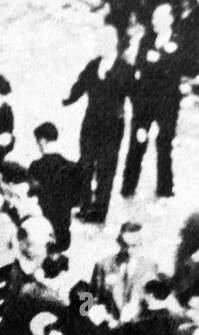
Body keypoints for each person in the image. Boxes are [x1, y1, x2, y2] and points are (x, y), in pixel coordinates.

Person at [64, 25, 134, 224]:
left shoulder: (125, 69)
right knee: (85, 165)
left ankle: (100, 211)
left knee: (106, 169)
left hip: (112, 126)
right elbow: (80, 85)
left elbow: (135, 95)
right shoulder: (93, 65)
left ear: (112, 43)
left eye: (102, 41)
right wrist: (67, 99)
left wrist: (142, 124)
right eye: (98, 41)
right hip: (91, 123)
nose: (98, 45)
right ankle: (85, 206)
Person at [123, 1, 185, 199]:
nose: (154, 21)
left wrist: (156, 61)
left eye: (159, 18)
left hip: (167, 104)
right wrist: (157, 61)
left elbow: (174, 71)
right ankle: (128, 187)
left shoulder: (178, 42)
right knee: (137, 143)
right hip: (145, 102)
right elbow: (140, 64)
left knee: (164, 145)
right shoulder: (147, 39)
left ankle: (165, 189)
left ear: (170, 19)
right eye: (154, 17)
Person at [28, 122, 82, 251]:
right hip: (64, 228)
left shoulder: (36, 166)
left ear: (42, 141)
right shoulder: (71, 166)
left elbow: (31, 193)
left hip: (45, 225)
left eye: (37, 142)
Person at [90, 221, 156, 323]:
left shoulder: (150, 268)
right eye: (125, 246)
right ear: (119, 242)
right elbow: (90, 299)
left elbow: (154, 303)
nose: (129, 251)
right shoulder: (103, 266)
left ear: (141, 244)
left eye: (134, 246)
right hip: (109, 329)